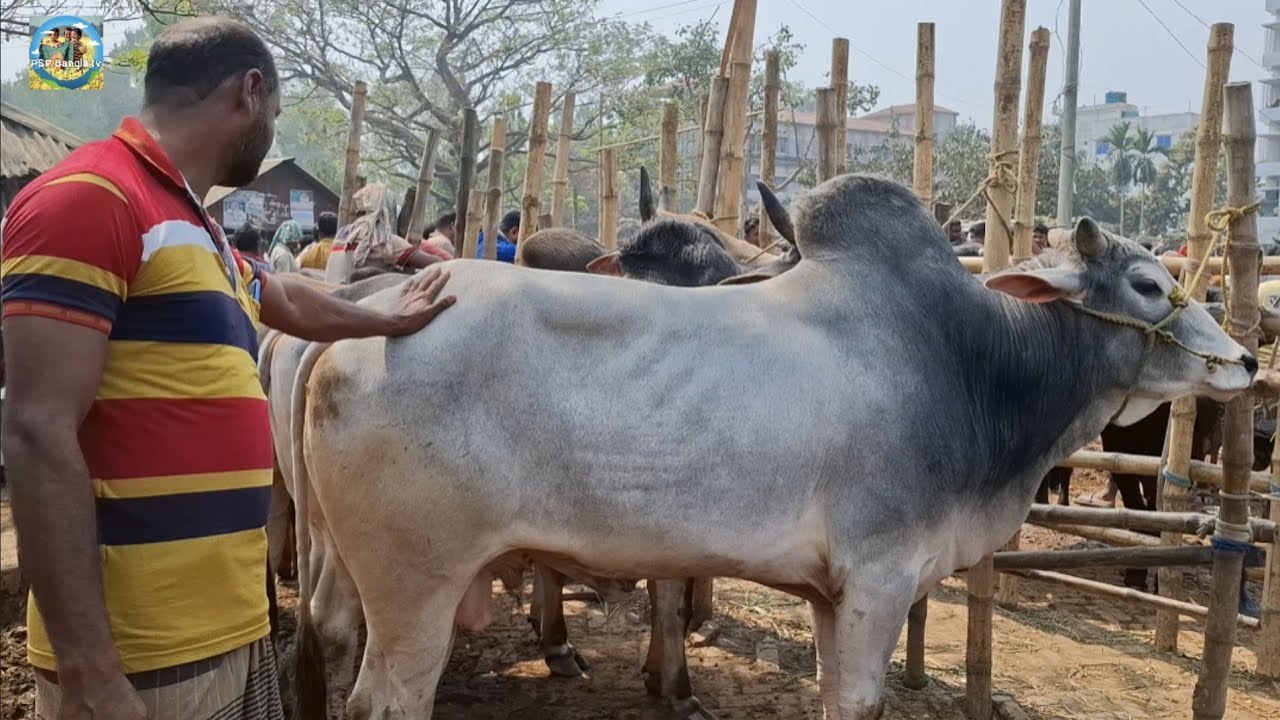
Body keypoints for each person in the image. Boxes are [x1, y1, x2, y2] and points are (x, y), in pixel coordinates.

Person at [0, 17, 456, 720]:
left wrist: (386, 318)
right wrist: (90, 671)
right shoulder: (90, 197)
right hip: (144, 657)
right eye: (275, 111)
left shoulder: (194, 223)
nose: (272, 128)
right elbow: (36, 430)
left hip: (230, 625)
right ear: (249, 94)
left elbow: (286, 298)